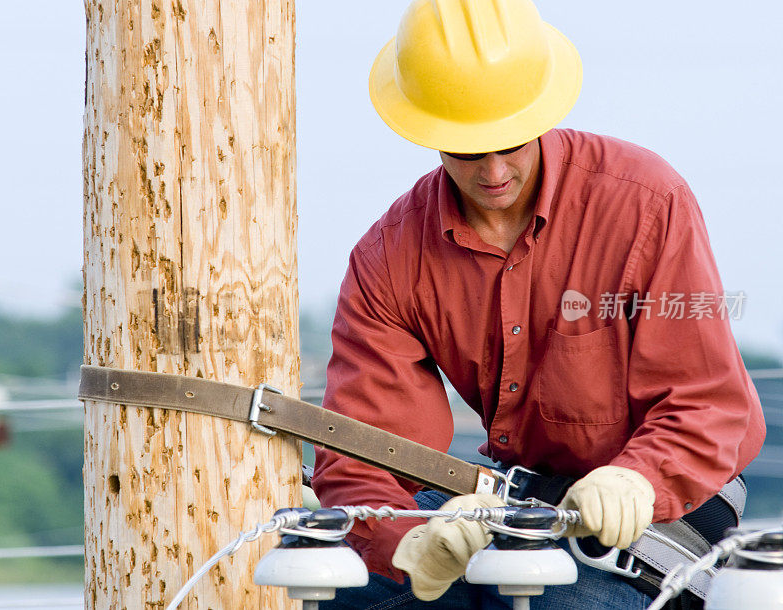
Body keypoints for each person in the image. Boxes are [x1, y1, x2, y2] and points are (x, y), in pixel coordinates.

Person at [311, 0, 766, 608]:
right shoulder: (389, 257)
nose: (495, 171)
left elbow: (709, 404)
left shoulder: (646, 205)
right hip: (514, 505)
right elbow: (360, 451)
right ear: (427, 131)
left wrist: (638, 478)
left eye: (511, 142)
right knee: (327, 580)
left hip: (664, 507)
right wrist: (410, 540)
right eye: (468, 149)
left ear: (539, 112)